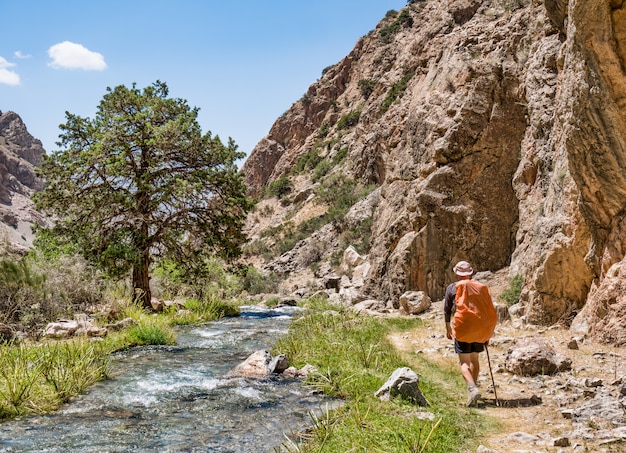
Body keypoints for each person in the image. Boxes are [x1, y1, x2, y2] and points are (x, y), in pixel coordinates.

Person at [444, 260, 497, 407]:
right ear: (470, 273)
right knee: (474, 359)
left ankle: (472, 388)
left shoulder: (452, 288)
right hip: (479, 328)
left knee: (464, 362)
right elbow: (487, 310)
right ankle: (472, 391)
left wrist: (448, 327)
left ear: (456, 273)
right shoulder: (480, 287)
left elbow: (447, 309)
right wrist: (487, 333)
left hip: (463, 328)